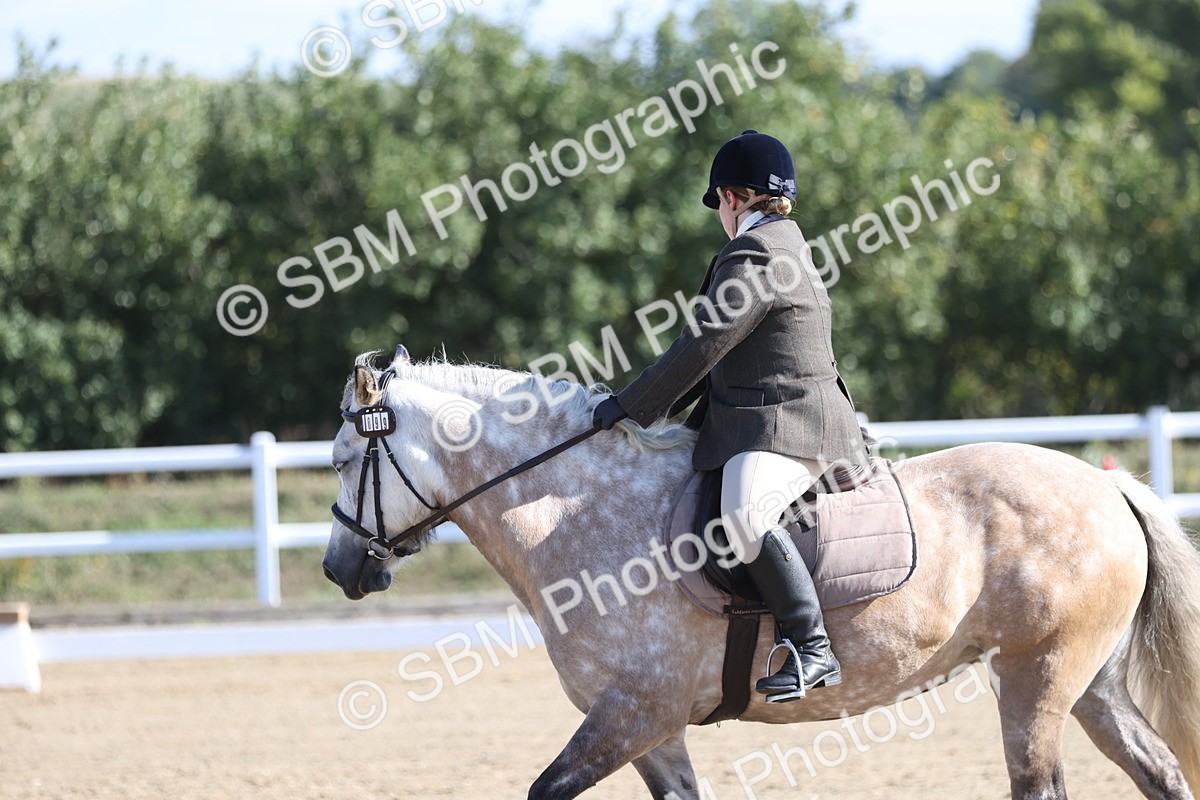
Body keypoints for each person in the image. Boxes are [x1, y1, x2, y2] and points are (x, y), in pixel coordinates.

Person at [591, 130, 865, 702]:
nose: (719, 212)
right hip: (779, 417)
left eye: (718, 201)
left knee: (744, 514)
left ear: (733, 197)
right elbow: (719, 355)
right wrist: (653, 415)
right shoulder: (787, 243)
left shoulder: (756, 252)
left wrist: (632, 406)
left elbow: (701, 345)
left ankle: (813, 647)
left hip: (789, 424)